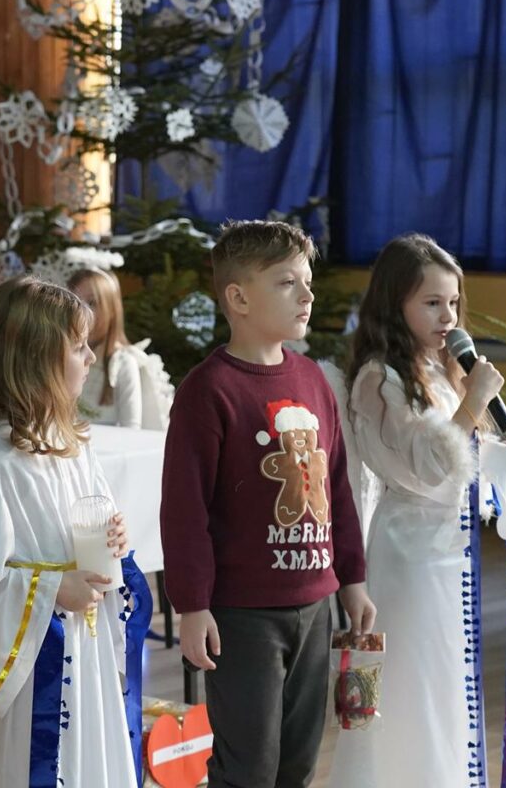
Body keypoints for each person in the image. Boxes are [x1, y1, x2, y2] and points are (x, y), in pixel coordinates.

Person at [160, 220, 374, 788]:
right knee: (248, 767)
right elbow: (184, 511)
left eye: (308, 283)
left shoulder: (314, 380)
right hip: (242, 615)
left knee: (297, 764)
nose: (307, 295)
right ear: (238, 298)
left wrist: (352, 578)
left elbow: (336, 486)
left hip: (315, 605)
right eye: (286, 283)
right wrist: (192, 605)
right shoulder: (208, 390)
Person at [0, 277, 147, 788]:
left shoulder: (72, 443)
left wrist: (114, 539)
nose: (90, 357)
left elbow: (95, 520)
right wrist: (51, 590)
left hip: (87, 647)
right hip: (35, 671)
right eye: (78, 346)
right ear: (34, 359)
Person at [327, 234, 505, 788]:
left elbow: (469, 458)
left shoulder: (441, 371)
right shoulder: (380, 379)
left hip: (449, 548)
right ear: (394, 303)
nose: (447, 316)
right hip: (410, 549)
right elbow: (426, 469)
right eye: (431, 302)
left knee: (447, 683)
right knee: (413, 686)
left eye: (453, 302)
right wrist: (474, 402)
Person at [67, 267, 170, 431]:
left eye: (92, 303)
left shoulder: (123, 362)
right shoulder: (61, 357)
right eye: (76, 302)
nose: (82, 312)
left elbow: (131, 429)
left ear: (112, 309)